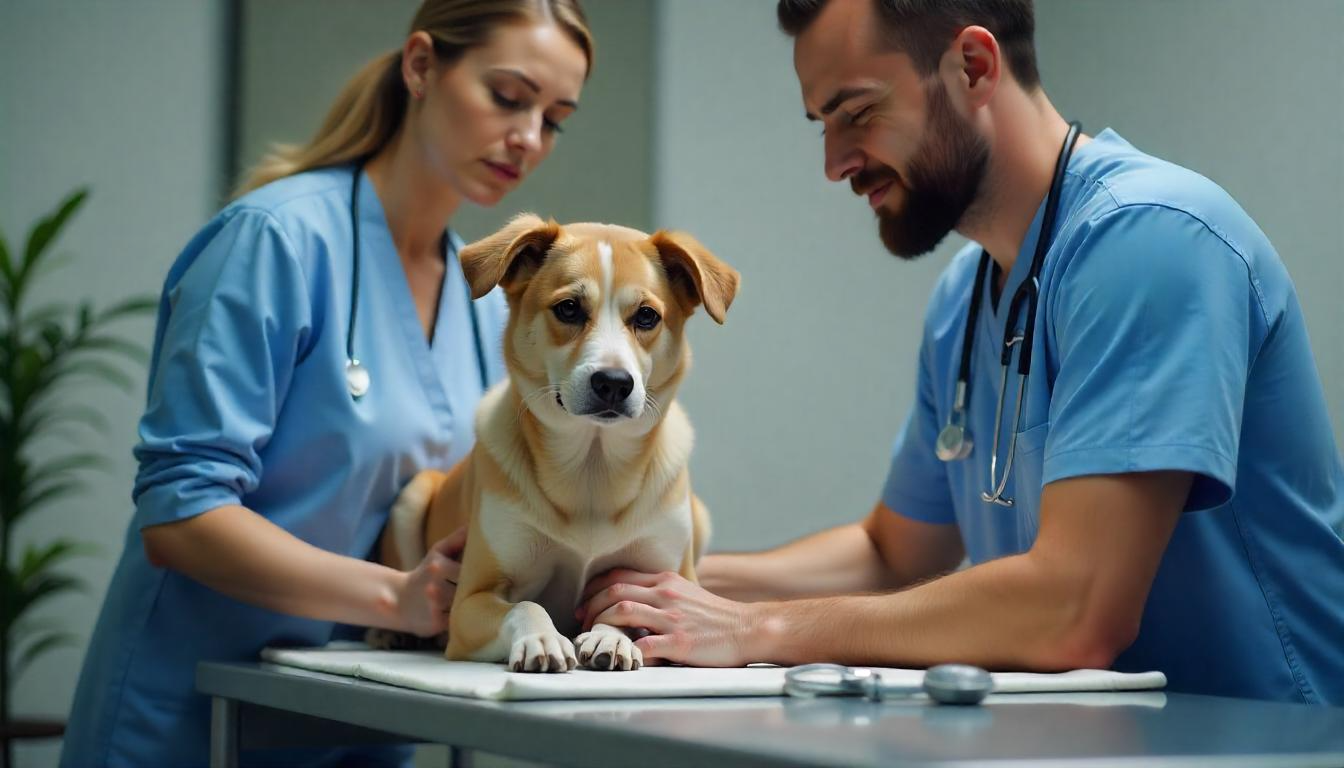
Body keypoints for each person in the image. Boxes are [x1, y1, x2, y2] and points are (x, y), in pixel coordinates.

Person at [578, 0, 1344, 705]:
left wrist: (758, 630)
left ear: (973, 67)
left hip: (1265, 737)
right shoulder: (965, 298)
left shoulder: (1154, 240)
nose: (835, 162)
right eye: (823, 124)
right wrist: (615, 576)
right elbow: (892, 552)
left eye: (857, 113)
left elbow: (1076, 611)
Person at [61, 1, 591, 765]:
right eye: (509, 97)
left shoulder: (489, 303)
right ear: (420, 66)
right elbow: (180, 515)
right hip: (195, 717)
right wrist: (394, 599)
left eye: (555, 118)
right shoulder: (274, 241)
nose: (529, 137)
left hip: (360, 718)